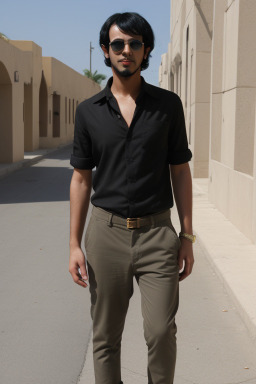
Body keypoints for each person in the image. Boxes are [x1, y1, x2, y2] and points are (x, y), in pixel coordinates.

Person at [69, 12, 195, 384]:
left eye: (134, 43)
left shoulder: (168, 106)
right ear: (107, 51)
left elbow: (180, 171)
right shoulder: (88, 112)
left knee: (160, 332)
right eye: (118, 44)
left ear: (147, 50)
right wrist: (73, 243)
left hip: (158, 234)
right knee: (106, 337)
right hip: (105, 234)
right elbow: (80, 178)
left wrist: (186, 236)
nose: (126, 50)